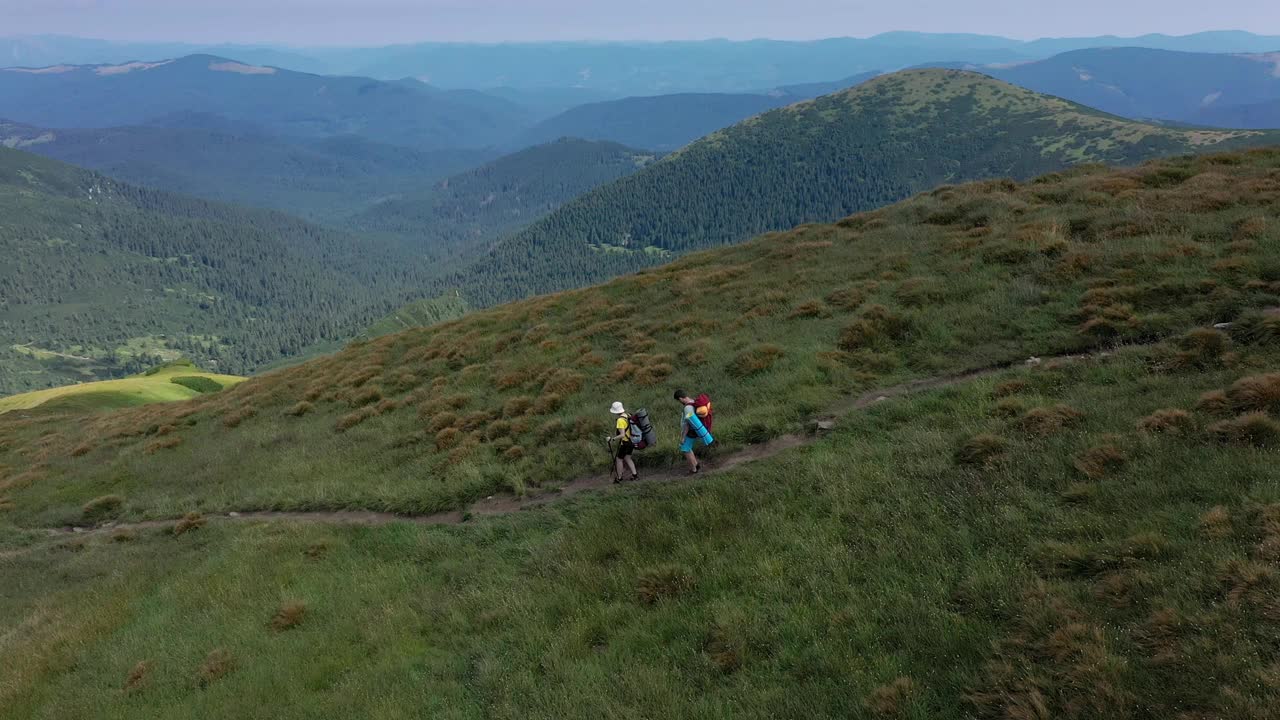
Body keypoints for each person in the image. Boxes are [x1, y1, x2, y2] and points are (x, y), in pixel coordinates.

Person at [673, 389, 714, 474]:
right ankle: (696, 464)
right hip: (694, 431)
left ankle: (694, 469)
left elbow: (688, 423)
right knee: (687, 448)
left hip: (691, 432)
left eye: (678, 400)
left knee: (684, 448)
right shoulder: (693, 401)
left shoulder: (687, 408)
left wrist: (683, 437)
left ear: (680, 399)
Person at [608, 401, 639, 483]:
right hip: (631, 441)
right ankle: (635, 475)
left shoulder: (620, 420)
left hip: (625, 443)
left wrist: (612, 439)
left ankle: (619, 477)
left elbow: (622, 435)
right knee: (627, 458)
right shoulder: (628, 415)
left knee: (619, 459)